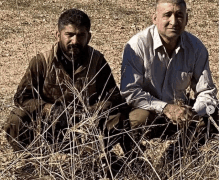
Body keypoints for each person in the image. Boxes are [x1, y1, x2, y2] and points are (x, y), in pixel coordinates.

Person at [4, 9, 128, 155]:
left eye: (81, 35)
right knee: (16, 118)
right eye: (69, 35)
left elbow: (114, 98)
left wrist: (91, 113)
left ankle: (99, 159)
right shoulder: (42, 61)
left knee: (119, 119)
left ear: (89, 37)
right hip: (48, 126)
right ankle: (31, 161)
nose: (74, 41)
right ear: (58, 35)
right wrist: (49, 109)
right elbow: (21, 97)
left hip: (86, 128)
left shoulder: (97, 61)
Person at [120, 0, 218, 145]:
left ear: (186, 19)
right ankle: (137, 160)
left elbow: (207, 91)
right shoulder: (137, 46)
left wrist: (191, 113)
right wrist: (165, 108)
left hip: (182, 113)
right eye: (167, 15)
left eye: (179, 15)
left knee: (214, 113)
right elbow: (130, 91)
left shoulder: (197, 48)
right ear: (155, 18)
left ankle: (180, 155)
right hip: (150, 110)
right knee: (137, 119)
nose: (174, 21)